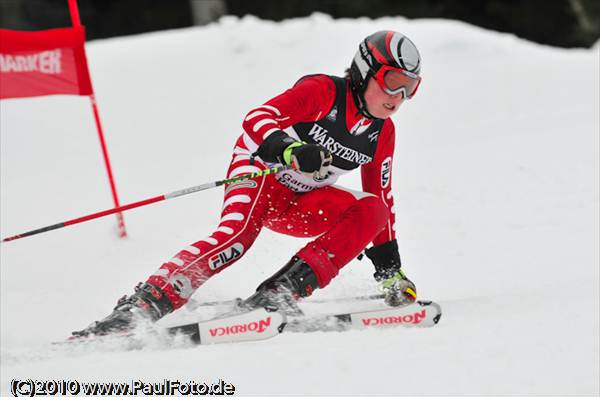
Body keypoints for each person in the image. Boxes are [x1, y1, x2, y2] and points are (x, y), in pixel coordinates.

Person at [74, 30, 423, 337]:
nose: (399, 96)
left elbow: (382, 198)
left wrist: (390, 271)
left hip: (302, 202)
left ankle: (282, 292)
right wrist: (289, 149)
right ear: (365, 71)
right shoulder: (324, 92)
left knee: (371, 209)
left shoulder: (381, 134)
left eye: (410, 88)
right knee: (236, 238)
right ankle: (146, 302)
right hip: (261, 173)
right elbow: (256, 118)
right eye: (393, 81)